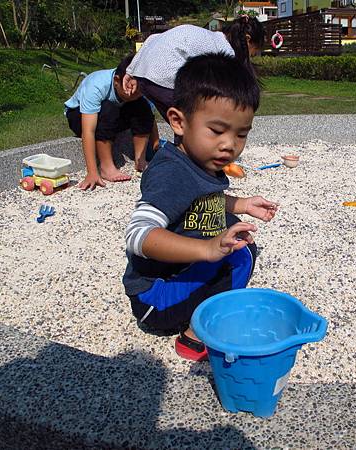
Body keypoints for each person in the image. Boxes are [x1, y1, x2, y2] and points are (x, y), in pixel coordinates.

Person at [122, 53, 278, 361]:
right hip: (155, 300)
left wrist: (242, 204)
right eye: (217, 131)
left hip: (172, 282)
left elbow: (200, 202)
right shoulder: (172, 173)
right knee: (239, 256)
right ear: (178, 122)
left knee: (235, 232)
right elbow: (138, 235)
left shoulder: (198, 160)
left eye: (240, 134)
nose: (229, 144)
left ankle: (210, 308)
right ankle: (195, 338)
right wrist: (208, 249)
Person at [121, 16, 265, 124]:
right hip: (164, 78)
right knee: (195, 125)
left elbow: (153, 38)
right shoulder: (225, 51)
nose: (252, 56)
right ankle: (193, 161)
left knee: (182, 126)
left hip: (144, 77)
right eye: (254, 51)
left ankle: (182, 158)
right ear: (247, 39)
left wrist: (132, 71)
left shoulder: (211, 37)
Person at [64, 54, 159, 190]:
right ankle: (106, 167)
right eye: (130, 89)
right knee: (109, 108)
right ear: (116, 81)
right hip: (78, 116)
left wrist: (156, 145)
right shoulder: (96, 85)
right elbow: (88, 131)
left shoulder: (138, 90)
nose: (134, 93)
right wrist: (92, 172)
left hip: (113, 115)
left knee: (141, 105)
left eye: (138, 90)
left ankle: (140, 160)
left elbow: (150, 116)